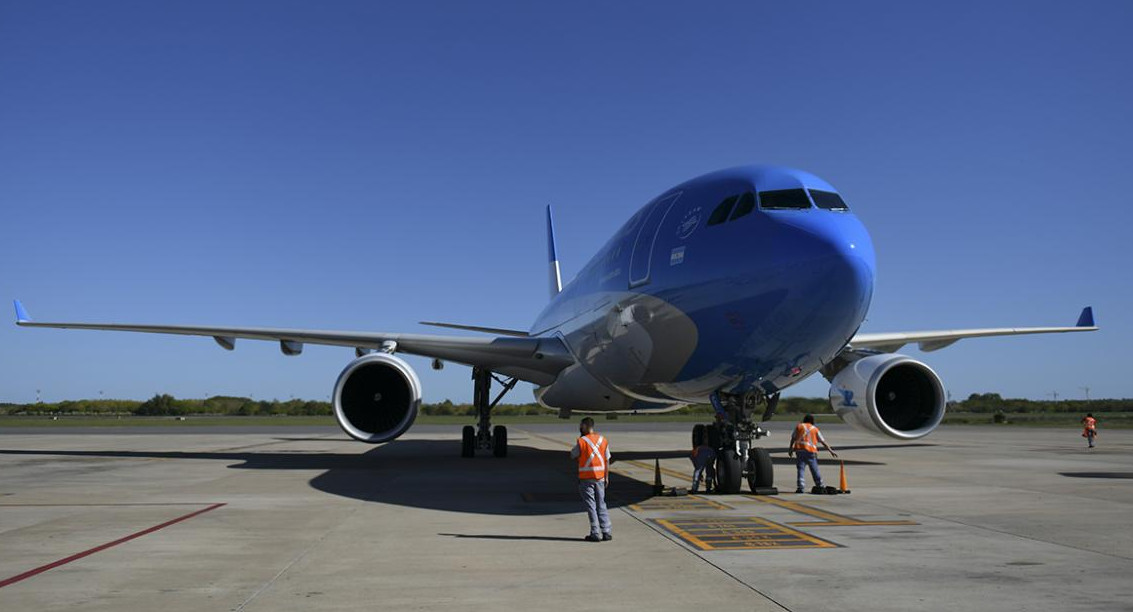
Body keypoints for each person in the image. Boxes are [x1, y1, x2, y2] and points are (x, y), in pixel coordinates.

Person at [570, 417, 612, 542]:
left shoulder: (582, 441)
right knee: (601, 504)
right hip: (600, 478)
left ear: (584, 426)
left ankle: (595, 532)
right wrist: (607, 476)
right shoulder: (602, 440)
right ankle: (606, 531)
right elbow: (607, 459)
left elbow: (573, 454)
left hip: (586, 479)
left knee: (591, 506)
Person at [788, 414, 838, 494]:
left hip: (800, 450)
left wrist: (790, 449)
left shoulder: (799, 427)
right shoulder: (814, 429)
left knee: (801, 469)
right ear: (812, 421)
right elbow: (822, 441)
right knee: (814, 469)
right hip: (811, 451)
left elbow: (793, 438)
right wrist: (831, 451)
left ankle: (800, 487)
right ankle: (820, 485)